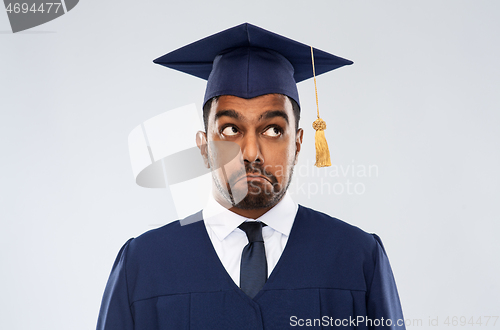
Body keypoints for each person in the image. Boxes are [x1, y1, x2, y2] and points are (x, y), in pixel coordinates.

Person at [97, 23, 406, 329]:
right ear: (203, 147)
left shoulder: (357, 258)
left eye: (273, 130)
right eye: (231, 129)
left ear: (297, 144)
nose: (250, 152)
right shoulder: (144, 264)